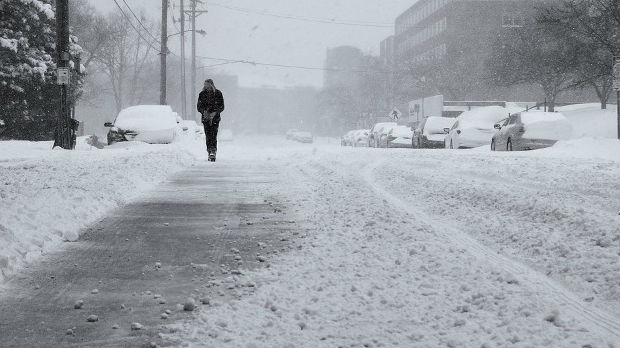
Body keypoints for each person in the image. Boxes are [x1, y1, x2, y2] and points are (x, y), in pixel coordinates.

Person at [196, 79, 225, 161]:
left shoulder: (218, 93)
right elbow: (199, 107)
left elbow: (222, 106)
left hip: (215, 118)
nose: (206, 86)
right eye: (205, 85)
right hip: (205, 118)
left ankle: (213, 151)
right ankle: (209, 151)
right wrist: (204, 112)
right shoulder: (202, 94)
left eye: (207, 85)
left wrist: (215, 112)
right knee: (208, 135)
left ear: (211, 85)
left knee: (213, 135)